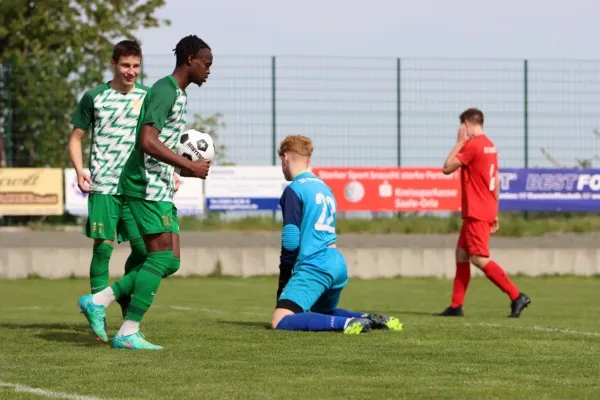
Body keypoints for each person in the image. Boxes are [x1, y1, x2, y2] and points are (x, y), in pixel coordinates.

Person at [77, 35, 213, 350]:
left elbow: (158, 142)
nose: (208, 71)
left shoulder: (175, 92)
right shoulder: (165, 90)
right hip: (146, 186)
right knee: (161, 256)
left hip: (159, 183)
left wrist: (177, 168)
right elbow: (148, 141)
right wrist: (188, 165)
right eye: (206, 64)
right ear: (190, 58)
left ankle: (100, 301)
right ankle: (126, 330)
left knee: (171, 261)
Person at [272, 134, 403, 334]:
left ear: (286, 158)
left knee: (281, 320)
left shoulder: (294, 189)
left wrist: (283, 279)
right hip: (336, 263)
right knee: (322, 312)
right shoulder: (325, 188)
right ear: (308, 160)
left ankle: (346, 324)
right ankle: (368, 319)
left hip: (315, 264)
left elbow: (291, 239)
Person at [70, 40, 149, 326]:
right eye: (125, 65)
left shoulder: (148, 97)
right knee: (103, 248)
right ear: (113, 64)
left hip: (137, 187)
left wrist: (172, 171)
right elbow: (76, 137)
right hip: (104, 185)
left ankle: (121, 293)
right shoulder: (94, 96)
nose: (131, 72)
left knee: (145, 251)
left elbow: (158, 141)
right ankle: (97, 312)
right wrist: (80, 170)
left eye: (136, 66)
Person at [436, 108, 531, 318]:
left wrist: (459, 141)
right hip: (485, 208)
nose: (461, 130)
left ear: (467, 124)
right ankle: (456, 306)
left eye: (462, 126)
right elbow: (495, 180)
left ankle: (516, 296)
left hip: (476, 211)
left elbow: (447, 167)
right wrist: (494, 210)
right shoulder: (490, 145)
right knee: (461, 254)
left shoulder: (472, 145)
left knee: (478, 258)